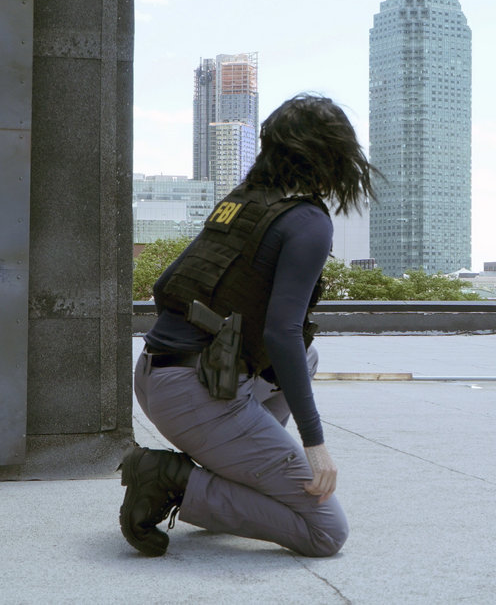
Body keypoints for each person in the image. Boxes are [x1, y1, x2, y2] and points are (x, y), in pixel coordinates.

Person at [119, 94, 378, 557]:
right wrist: (314, 443)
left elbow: (165, 285)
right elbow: (279, 333)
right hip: (194, 394)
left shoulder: (240, 202)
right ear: (333, 155)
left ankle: (227, 466)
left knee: (307, 352)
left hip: (153, 374)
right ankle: (172, 480)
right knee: (326, 532)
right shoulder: (307, 220)